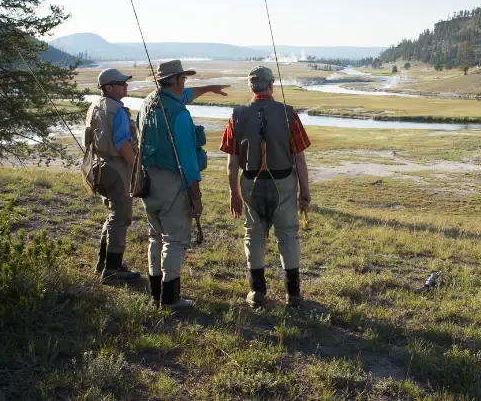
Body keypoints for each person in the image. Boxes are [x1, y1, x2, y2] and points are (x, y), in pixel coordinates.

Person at [136, 60, 228, 311]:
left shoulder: (146, 104)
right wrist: (195, 196)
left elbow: (186, 95)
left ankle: (156, 293)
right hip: (172, 182)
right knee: (175, 240)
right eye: (183, 79)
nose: (185, 83)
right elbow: (188, 161)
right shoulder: (179, 114)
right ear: (176, 80)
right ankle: (170, 298)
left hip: (147, 181)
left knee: (155, 236)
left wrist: (209, 88)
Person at [220, 66, 312, 308]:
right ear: (271, 85)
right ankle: (293, 295)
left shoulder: (236, 115)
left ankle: (257, 293)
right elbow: (299, 158)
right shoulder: (289, 114)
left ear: (252, 87)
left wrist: (234, 193)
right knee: (288, 235)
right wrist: (306, 192)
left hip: (250, 183)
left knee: (254, 235)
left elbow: (232, 161)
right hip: (284, 183)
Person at [85, 68, 141, 282]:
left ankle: (104, 262)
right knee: (121, 217)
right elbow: (123, 144)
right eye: (121, 83)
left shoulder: (95, 106)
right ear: (109, 87)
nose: (125, 85)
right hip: (117, 168)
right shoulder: (117, 110)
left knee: (112, 215)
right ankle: (113, 269)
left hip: (98, 167)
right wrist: (137, 168)